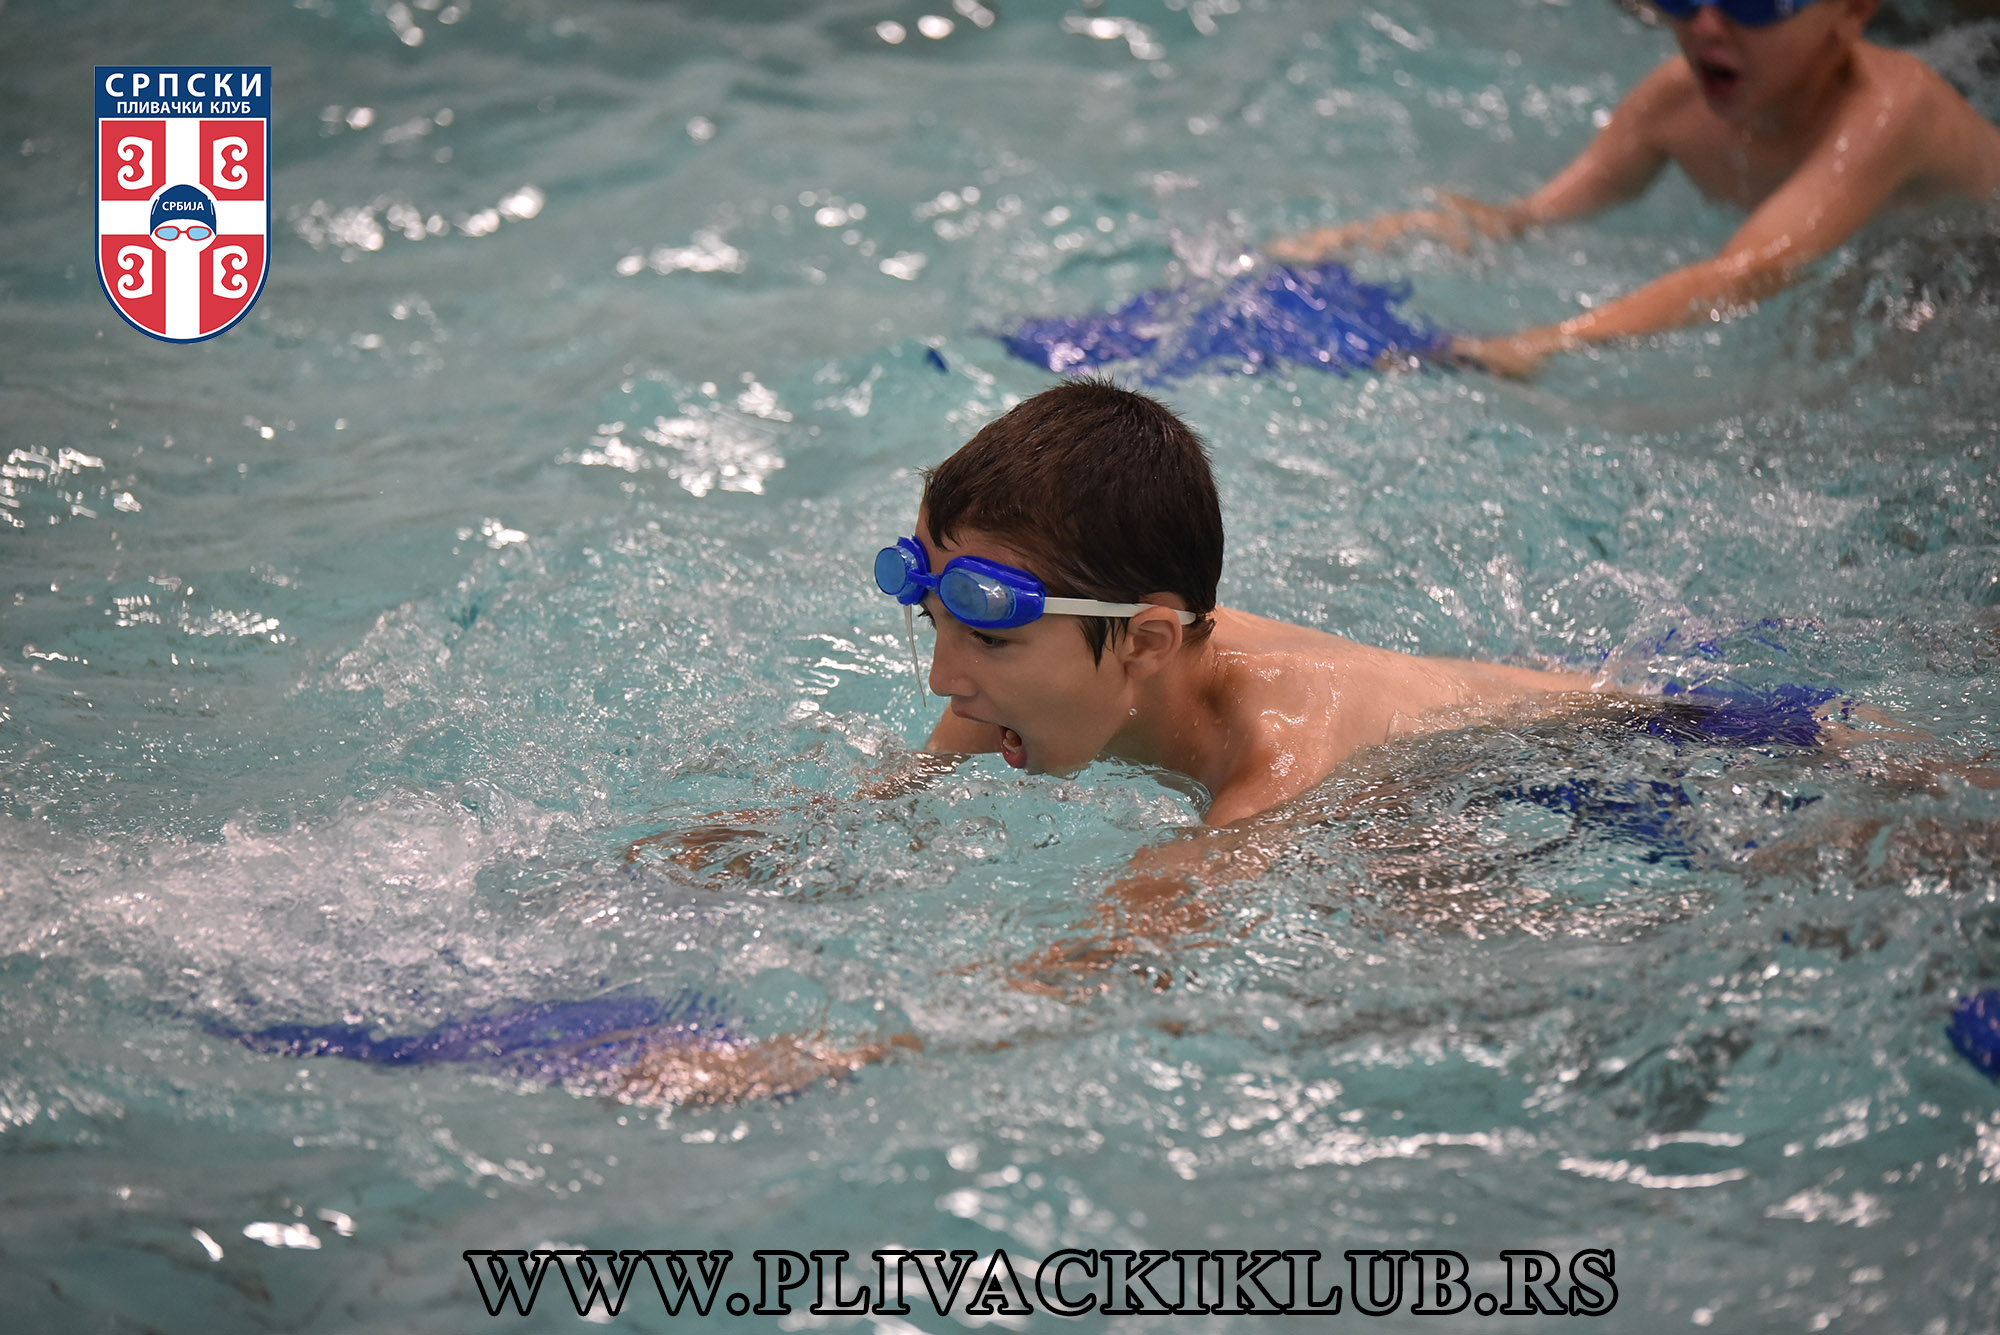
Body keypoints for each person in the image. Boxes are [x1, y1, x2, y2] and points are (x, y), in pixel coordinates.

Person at [878, 379, 1603, 827]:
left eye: (988, 639)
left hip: (1588, 762)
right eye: (937, 623)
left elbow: (1116, 965)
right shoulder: (1028, 673)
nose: (944, 679)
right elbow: (874, 815)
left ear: (1146, 643)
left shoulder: (1275, 773)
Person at [1268, 0, 2000, 376]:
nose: (1707, 26)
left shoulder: (1894, 111)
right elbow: (1528, 218)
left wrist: (1548, 343)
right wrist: (1367, 238)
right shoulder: (1676, 103)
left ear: (1854, 11)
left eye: (1753, 2)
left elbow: (1750, 273)